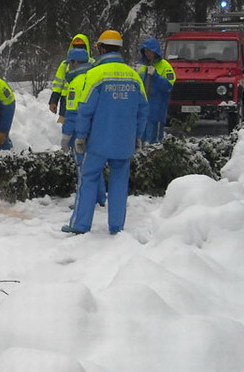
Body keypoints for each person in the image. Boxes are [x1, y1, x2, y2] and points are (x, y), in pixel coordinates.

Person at [62, 29, 148, 235]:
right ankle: (117, 227)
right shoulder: (133, 76)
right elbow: (143, 110)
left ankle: (80, 225)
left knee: (88, 178)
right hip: (124, 141)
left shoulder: (94, 75)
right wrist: (138, 136)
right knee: (119, 183)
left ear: (101, 48)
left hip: (97, 141)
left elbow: (85, 110)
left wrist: (81, 136)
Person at [60, 47, 106, 208]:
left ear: (74, 62)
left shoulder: (76, 82)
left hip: (80, 132)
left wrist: (66, 135)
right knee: (95, 166)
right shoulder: (94, 78)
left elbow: (73, 113)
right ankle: (100, 197)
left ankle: (84, 200)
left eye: (69, 63)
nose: (68, 67)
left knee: (83, 168)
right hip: (97, 130)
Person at [136, 36, 176, 143]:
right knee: (142, 140)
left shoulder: (165, 67)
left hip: (157, 111)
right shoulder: (144, 68)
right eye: (145, 51)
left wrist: (155, 75)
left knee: (155, 141)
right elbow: (138, 85)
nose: (147, 53)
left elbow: (168, 86)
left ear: (155, 51)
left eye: (149, 51)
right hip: (144, 111)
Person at [48, 33, 92, 117]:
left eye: (81, 47)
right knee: (64, 122)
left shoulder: (92, 64)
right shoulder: (65, 64)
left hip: (84, 99)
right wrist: (53, 101)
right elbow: (58, 84)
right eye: (75, 47)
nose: (78, 49)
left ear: (86, 47)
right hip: (66, 99)